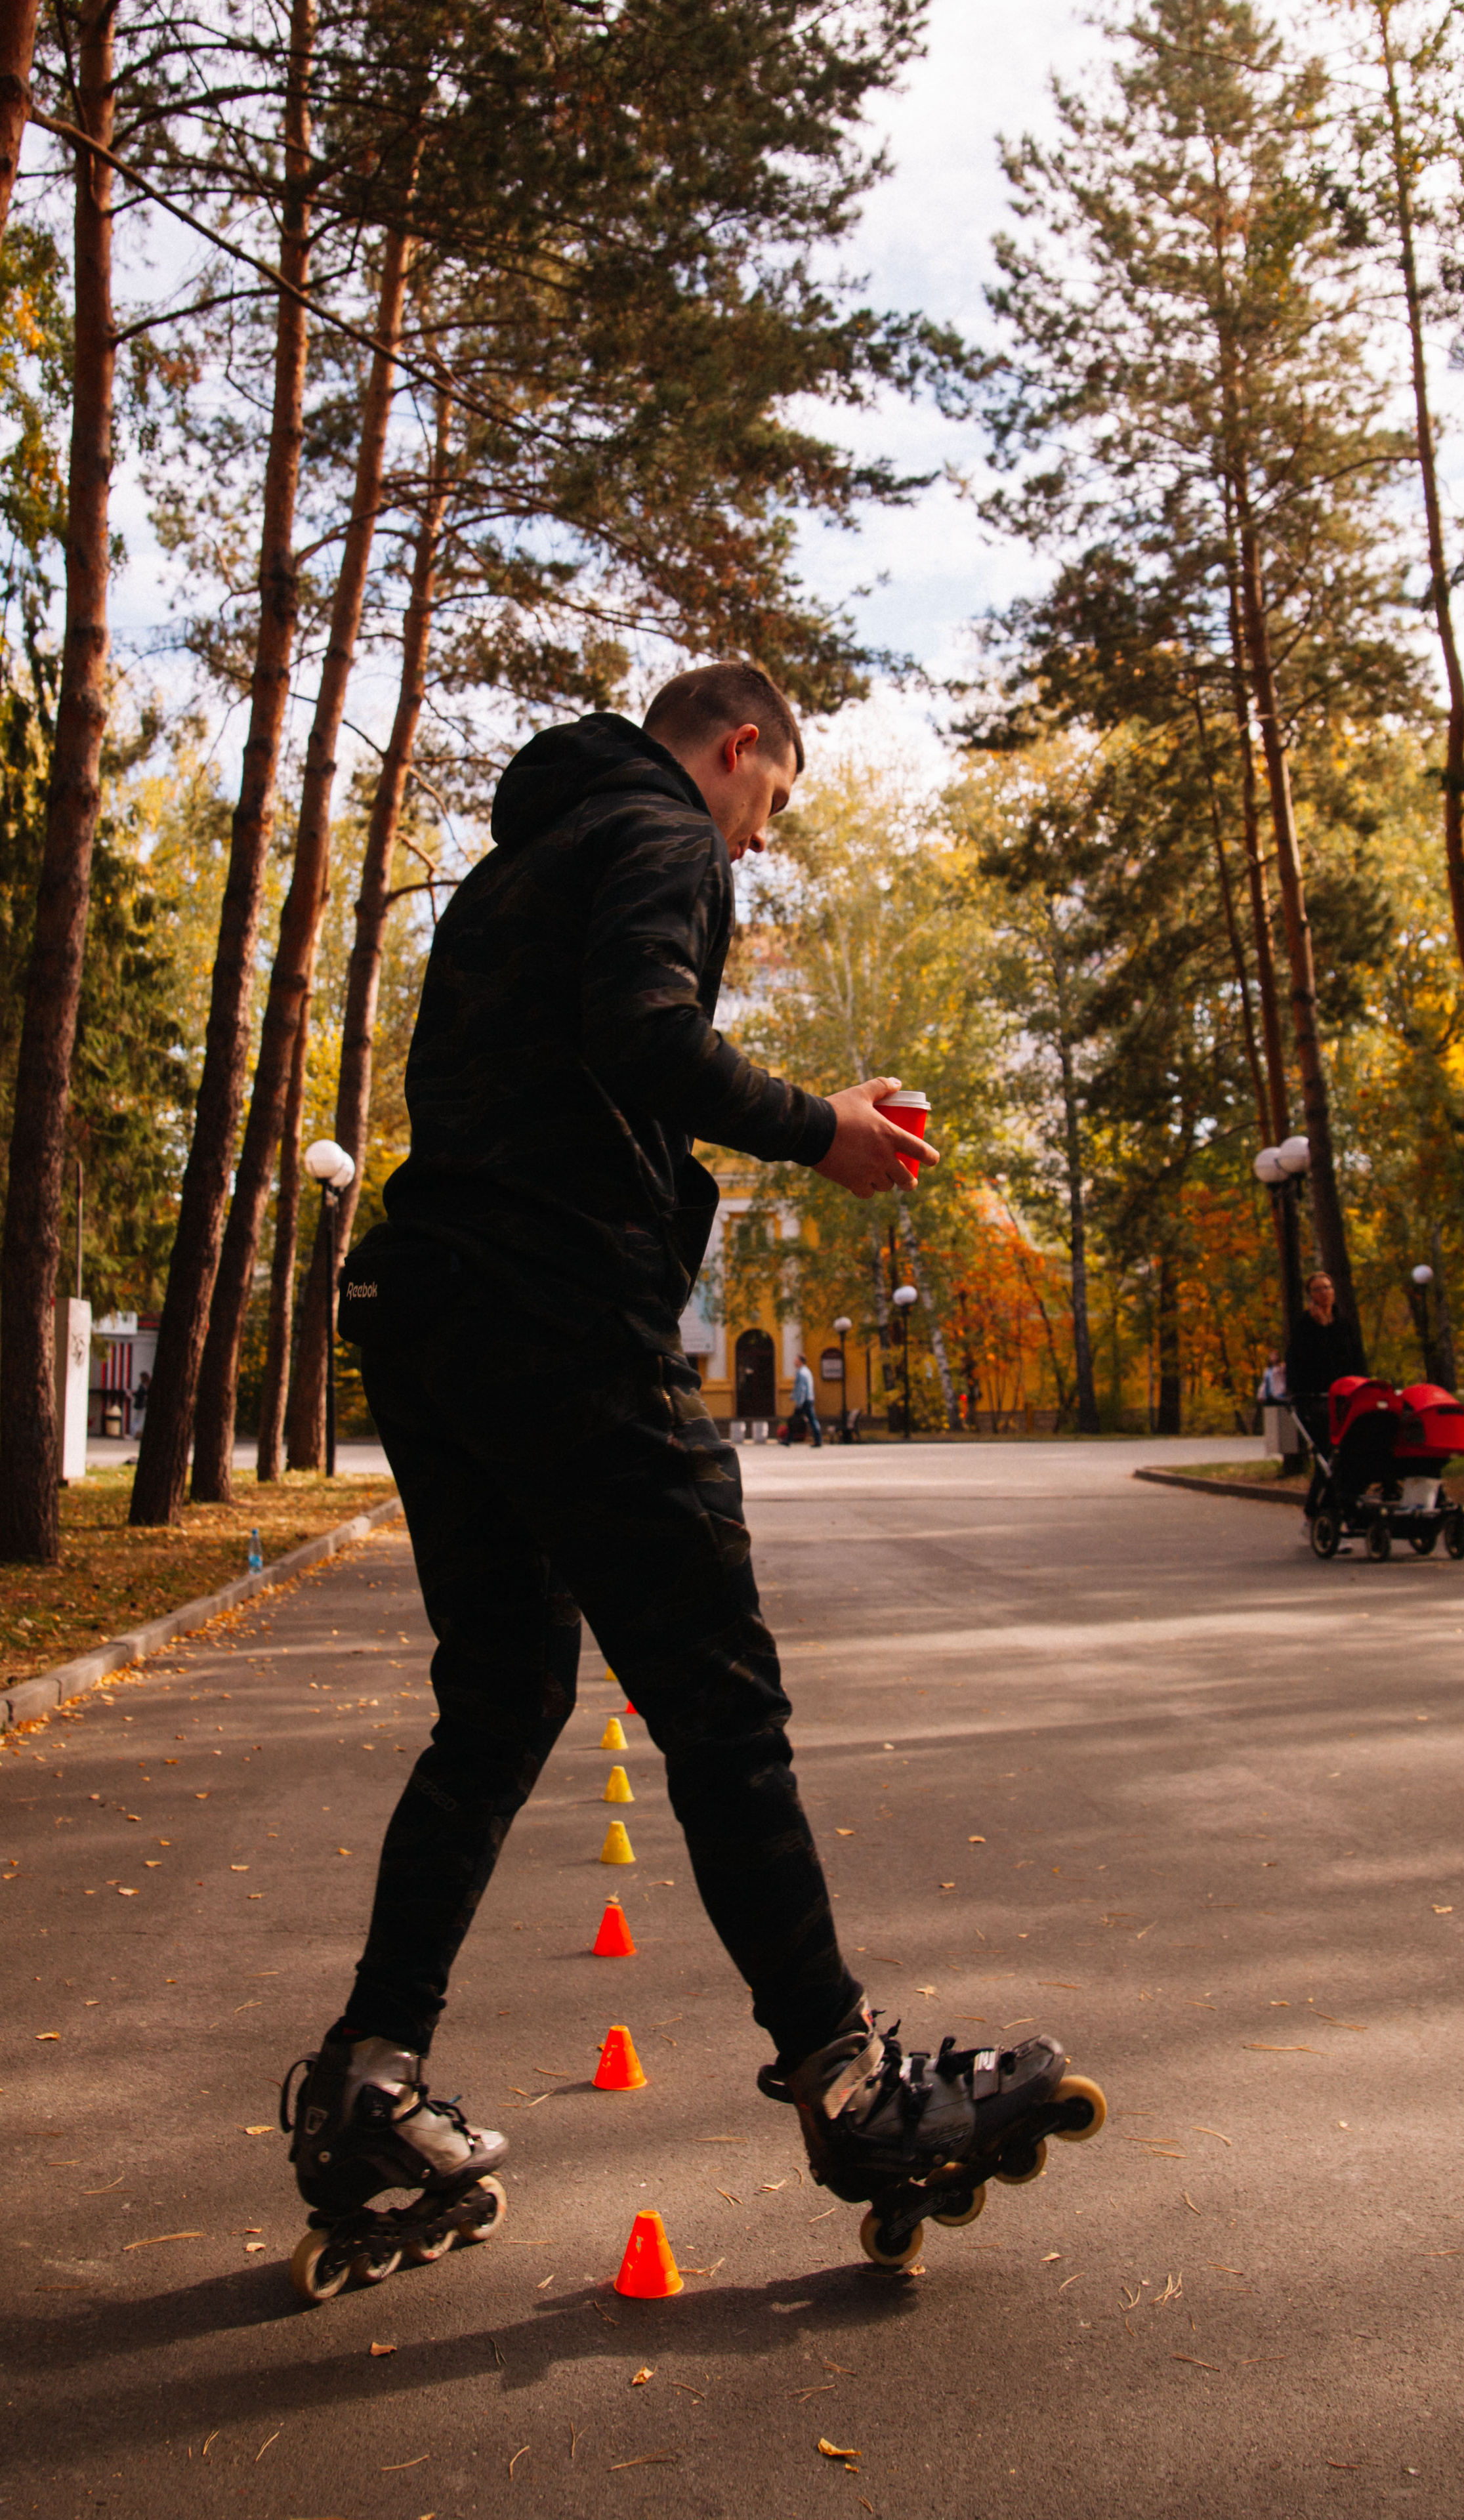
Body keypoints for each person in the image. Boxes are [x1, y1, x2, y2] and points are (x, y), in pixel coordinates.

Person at [283, 663, 1087, 2284]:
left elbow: (551, 1076)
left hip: (431, 1312)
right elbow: (641, 1029)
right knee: (718, 1702)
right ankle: (847, 2075)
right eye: (771, 801)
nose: (759, 837)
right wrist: (823, 1127)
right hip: (561, 1317)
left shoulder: (519, 860)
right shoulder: (664, 832)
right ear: (737, 752)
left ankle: (368, 2081)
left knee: (502, 1699)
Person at [1286, 1270, 1362, 1508]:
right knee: (1328, 1455)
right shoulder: (1305, 1325)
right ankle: (1320, 1510)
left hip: (1345, 1397)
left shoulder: (1343, 1323)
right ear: (1311, 1295)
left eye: (1328, 1287)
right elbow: (1302, 1361)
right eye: (1318, 1289)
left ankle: (1326, 1509)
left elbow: (1355, 1358)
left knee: (1350, 1455)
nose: (1324, 1293)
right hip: (1316, 1399)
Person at [781, 1353, 822, 1447]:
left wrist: (800, 1402)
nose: (794, 1362)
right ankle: (789, 1439)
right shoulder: (806, 1371)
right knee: (810, 1420)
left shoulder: (801, 1372)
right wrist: (793, 1396)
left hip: (805, 1401)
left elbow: (802, 1389)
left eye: (796, 1360)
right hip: (808, 1399)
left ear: (800, 1361)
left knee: (797, 1420)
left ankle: (789, 1439)